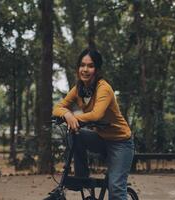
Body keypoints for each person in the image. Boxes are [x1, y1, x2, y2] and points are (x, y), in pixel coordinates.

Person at [52, 48, 134, 200]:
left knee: (115, 188)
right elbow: (58, 107)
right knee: (74, 134)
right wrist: (67, 114)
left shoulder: (104, 88)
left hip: (120, 143)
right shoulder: (79, 89)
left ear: (96, 69)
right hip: (101, 139)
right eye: (82, 65)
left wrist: (74, 118)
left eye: (90, 66)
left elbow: (97, 114)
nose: (85, 69)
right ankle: (81, 177)